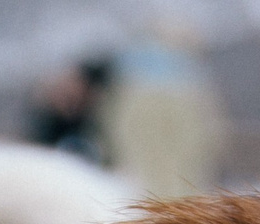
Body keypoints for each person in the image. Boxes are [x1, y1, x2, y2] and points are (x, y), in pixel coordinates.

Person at [96, 23, 224, 200]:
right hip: (170, 103)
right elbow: (209, 134)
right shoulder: (189, 77)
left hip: (150, 103)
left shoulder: (130, 69)